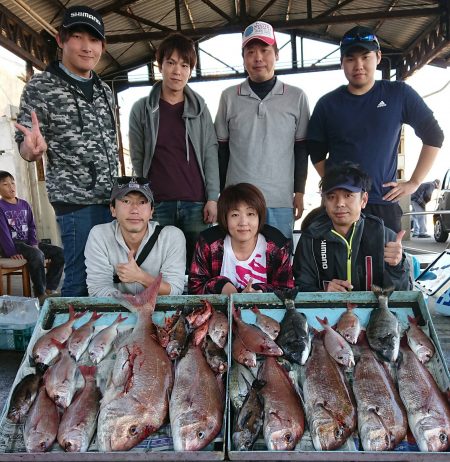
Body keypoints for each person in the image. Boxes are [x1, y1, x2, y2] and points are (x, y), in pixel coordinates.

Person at [15, 5, 118, 297]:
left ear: (103, 46)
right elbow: (25, 143)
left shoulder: (103, 90)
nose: (87, 47)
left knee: (106, 277)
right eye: (77, 37)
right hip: (76, 204)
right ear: (61, 40)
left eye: (94, 40)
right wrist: (30, 149)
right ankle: (69, 340)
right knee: (81, 279)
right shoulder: (41, 87)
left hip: (111, 202)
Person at [307, 25, 444, 233]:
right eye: (350, 58)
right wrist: (339, 184)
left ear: (378, 57)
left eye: (365, 57)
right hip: (339, 208)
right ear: (342, 62)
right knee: (337, 265)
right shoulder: (327, 104)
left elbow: (434, 135)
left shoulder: (399, 94)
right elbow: (315, 150)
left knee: (386, 264)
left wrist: (414, 182)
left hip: (383, 204)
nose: (358, 65)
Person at [129, 33, 219, 269]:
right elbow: (137, 158)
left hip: (196, 204)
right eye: (171, 63)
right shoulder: (142, 109)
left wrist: (212, 198)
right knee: (158, 267)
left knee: (198, 268)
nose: (177, 71)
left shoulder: (200, 110)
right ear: (160, 66)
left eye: (184, 65)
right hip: (158, 204)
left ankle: (199, 308)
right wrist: (144, 199)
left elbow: (210, 152)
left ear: (190, 70)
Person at [214, 21, 310, 239]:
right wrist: (221, 195)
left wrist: (300, 192)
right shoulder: (229, 97)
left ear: (276, 54)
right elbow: (220, 151)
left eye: (265, 50)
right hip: (239, 205)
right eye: (251, 52)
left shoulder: (297, 97)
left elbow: (302, 149)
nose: (258, 58)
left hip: (279, 201)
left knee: (279, 266)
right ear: (244, 58)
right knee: (238, 266)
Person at [293, 162, 411, 292]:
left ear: (364, 200)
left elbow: (404, 293)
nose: (340, 203)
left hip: (376, 312)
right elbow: (301, 287)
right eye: (331, 197)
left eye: (348, 195)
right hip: (327, 311)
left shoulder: (385, 237)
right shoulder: (310, 238)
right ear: (324, 201)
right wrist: (323, 292)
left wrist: (398, 266)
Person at [85, 177, 186, 297]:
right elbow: (97, 288)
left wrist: (141, 277)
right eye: (126, 201)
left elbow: (174, 290)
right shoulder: (99, 235)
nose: (134, 210)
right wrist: (132, 304)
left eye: (142, 202)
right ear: (113, 210)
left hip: (160, 311)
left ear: (151, 211)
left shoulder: (172, 237)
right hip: (117, 311)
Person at [189, 182, 294, 294]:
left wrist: (259, 291)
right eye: (235, 215)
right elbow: (195, 287)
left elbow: (286, 290)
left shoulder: (278, 245)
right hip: (217, 311)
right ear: (225, 218)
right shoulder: (208, 242)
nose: (243, 222)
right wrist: (221, 286)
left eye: (250, 214)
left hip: (263, 311)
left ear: (260, 217)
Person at [0, 171, 64, 304]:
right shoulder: (1, 207)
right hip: (12, 244)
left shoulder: (24, 204)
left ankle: (50, 288)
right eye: (5, 184)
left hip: (27, 243)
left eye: (12, 183)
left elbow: (31, 225)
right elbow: (3, 232)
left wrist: (34, 242)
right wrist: (11, 252)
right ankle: (40, 293)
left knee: (59, 253)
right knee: (37, 254)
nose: (11, 187)